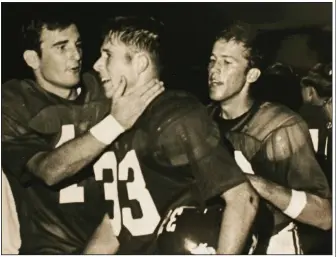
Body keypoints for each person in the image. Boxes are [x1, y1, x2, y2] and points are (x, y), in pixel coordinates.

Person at [92, 16, 259, 254]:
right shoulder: (122, 121)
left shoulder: (178, 116)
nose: (98, 64)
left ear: (140, 63)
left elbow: (243, 200)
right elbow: (119, 223)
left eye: (108, 55)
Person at [1, 14, 163, 254]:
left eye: (77, 45)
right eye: (61, 47)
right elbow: (48, 171)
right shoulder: (14, 101)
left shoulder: (102, 85)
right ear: (33, 58)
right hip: (52, 248)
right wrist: (115, 123)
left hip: (115, 240)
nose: (76, 56)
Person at [207, 21, 332, 254]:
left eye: (227, 62)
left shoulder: (281, 127)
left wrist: (251, 182)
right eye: (213, 60)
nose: (215, 70)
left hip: (272, 243)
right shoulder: (201, 120)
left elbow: (324, 215)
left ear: (252, 74)